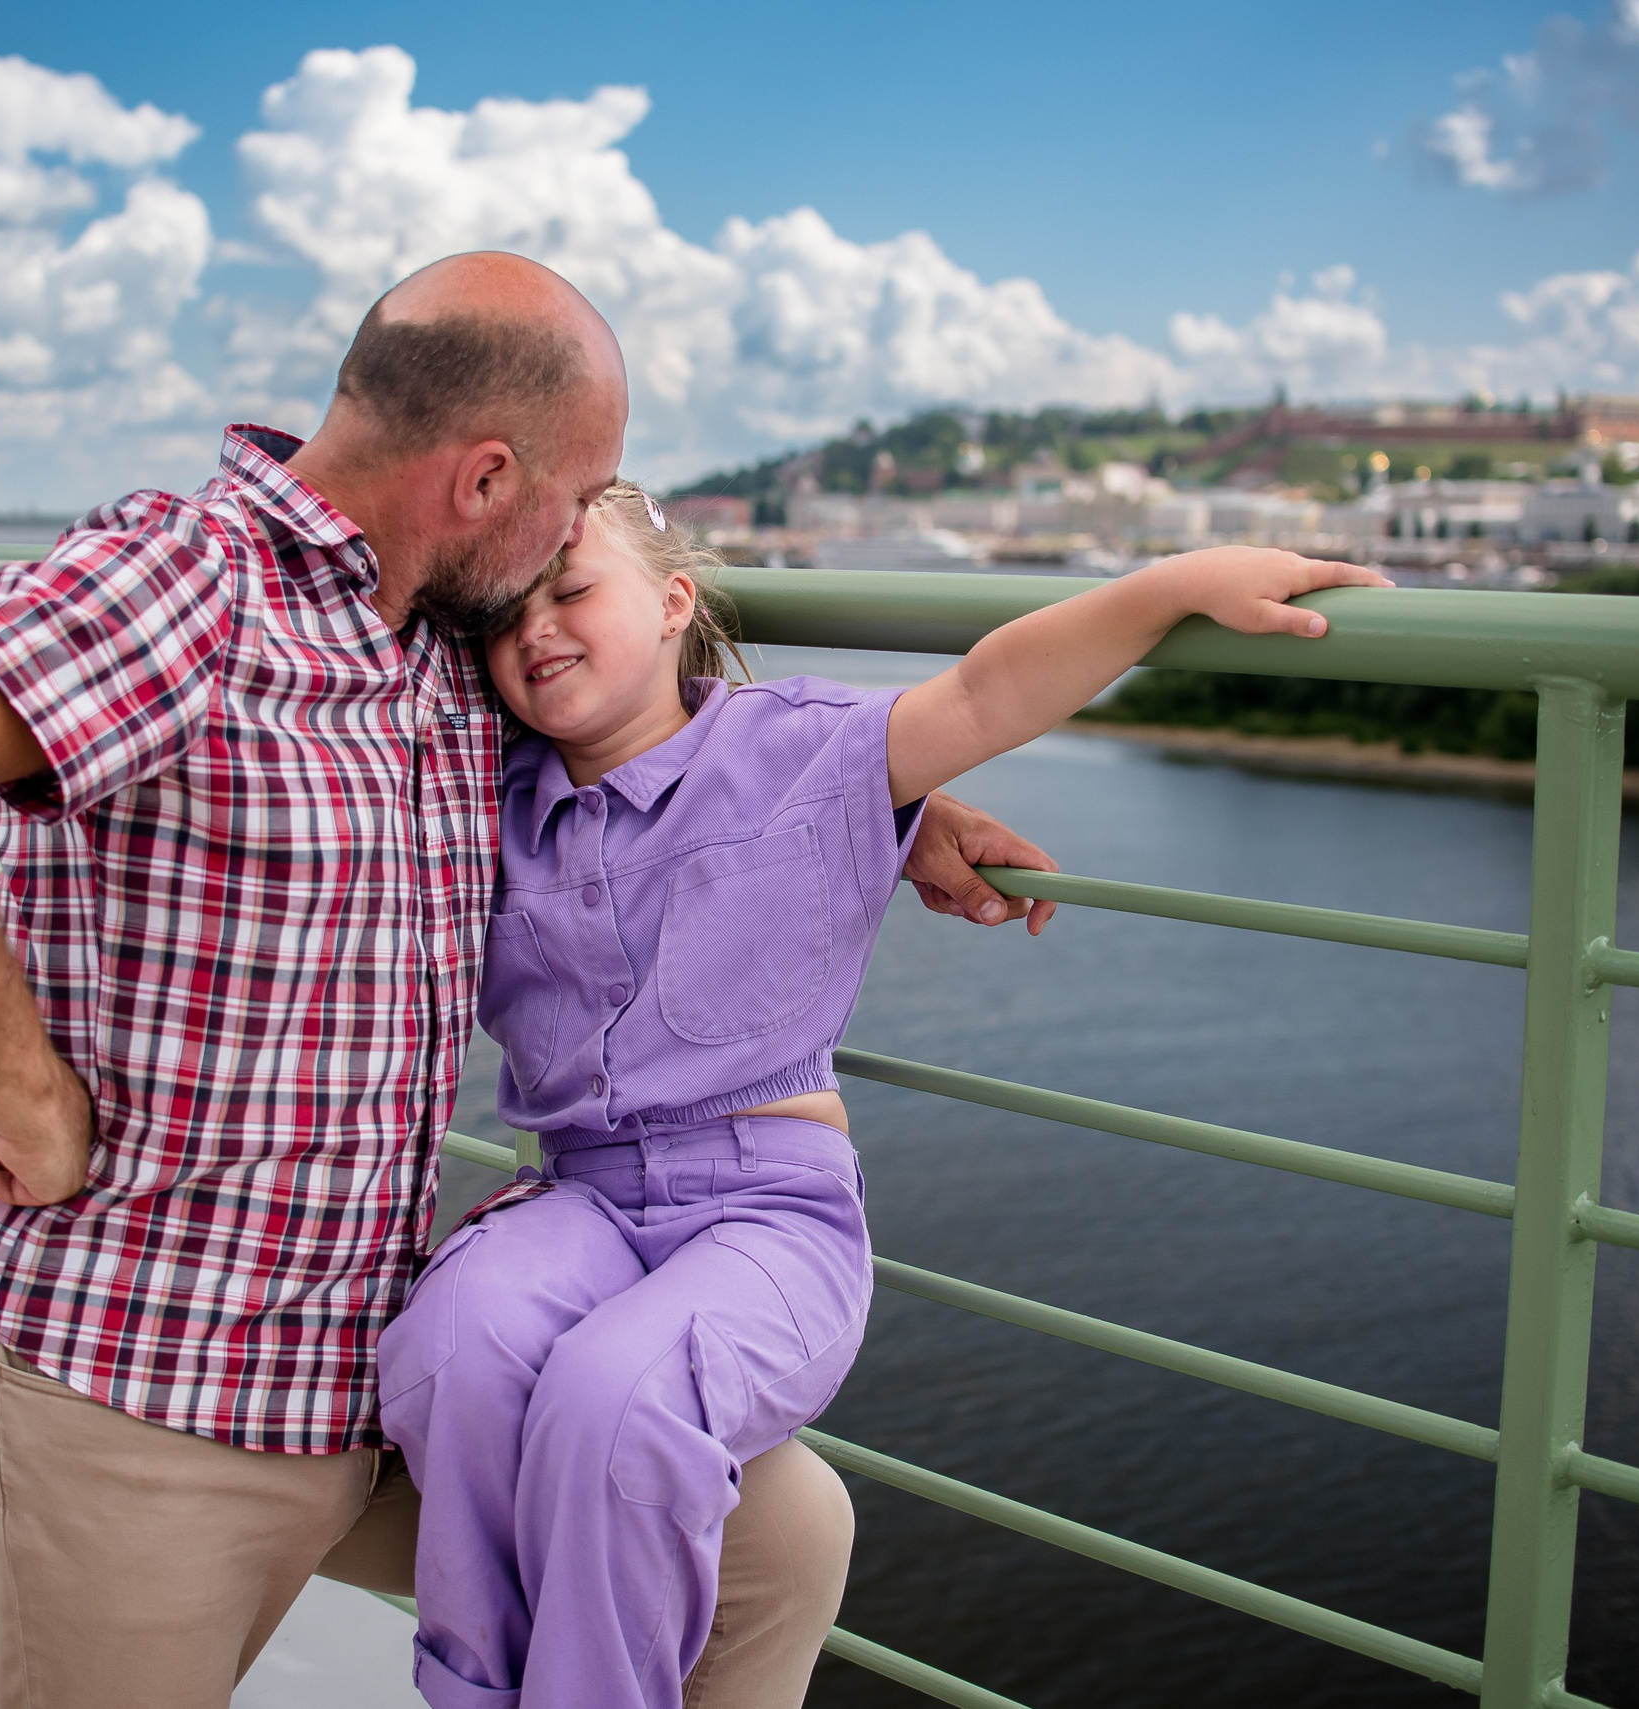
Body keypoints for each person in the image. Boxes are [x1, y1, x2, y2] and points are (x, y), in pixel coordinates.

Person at [0, 251, 1063, 1709]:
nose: (583, 532)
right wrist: (22, 1087)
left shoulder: (447, 642)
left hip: (355, 1378)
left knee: (781, 1532)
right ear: (492, 481)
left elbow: (653, 755)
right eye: (580, 497)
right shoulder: (195, 580)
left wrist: (878, 813)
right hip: (118, 1376)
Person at [377, 483, 1392, 1709]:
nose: (536, 628)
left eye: (574, 589)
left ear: (673, 603)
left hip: (762, 1214)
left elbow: (983, 690)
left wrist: (1173, 587)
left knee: (618, 1397)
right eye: (505, 614)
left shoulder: (793, 749)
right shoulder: (481, 793)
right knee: (450, 1347)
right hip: (578, 1198)